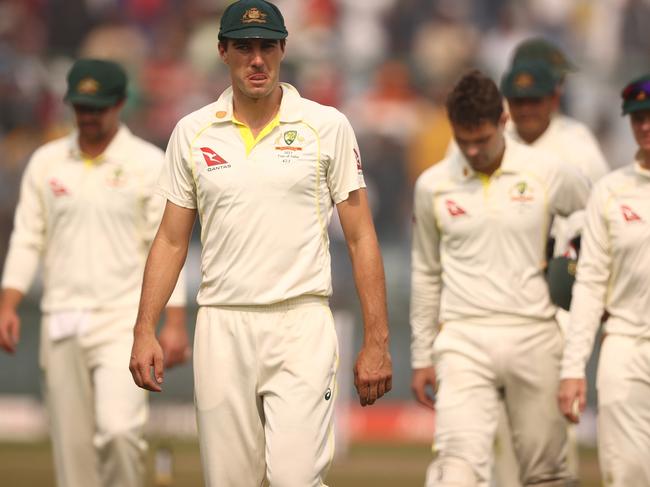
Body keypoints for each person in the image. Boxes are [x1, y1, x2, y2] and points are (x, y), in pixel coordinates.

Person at [128, 1, 393, 486]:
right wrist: (145, 327)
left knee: (296, 479)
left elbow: (360, 236)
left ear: (283, 50)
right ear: (222, 51)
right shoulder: (192, 132)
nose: (257, 59)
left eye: (267, 47)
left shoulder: (326, 126)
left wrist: (377, 340)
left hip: (300, 322)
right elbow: (170, 240)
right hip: (222, 325)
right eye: (245, 47)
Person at [0, 59, 188, 487]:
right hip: (61, 317)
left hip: (122, 320)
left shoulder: (147, 163)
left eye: (97, 107)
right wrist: (8, 303)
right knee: (73, 451)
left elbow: (168, 248)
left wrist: (173, 322)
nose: (88, 116)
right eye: (81, 107)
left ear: (120, 104)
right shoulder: (46, 162)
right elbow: (28, 238)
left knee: (120, 431)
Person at [410, 69, 589, 487]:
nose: (472, 150)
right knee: (456, 467)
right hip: (463, 338)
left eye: (482, 139)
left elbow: (596, 219)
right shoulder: (433, 185)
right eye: (463, 139)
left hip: (535, 332)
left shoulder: (548, 172)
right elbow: (425, 272)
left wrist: (572, 257)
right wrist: (421, 357)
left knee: (547, 474)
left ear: (503, 123)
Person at [558, 73, 650, 486]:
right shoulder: (611, 192)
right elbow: (590, 284)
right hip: (625, 348)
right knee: (627, 474)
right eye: (637, 117)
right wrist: (573, 367)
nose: (645, 126)